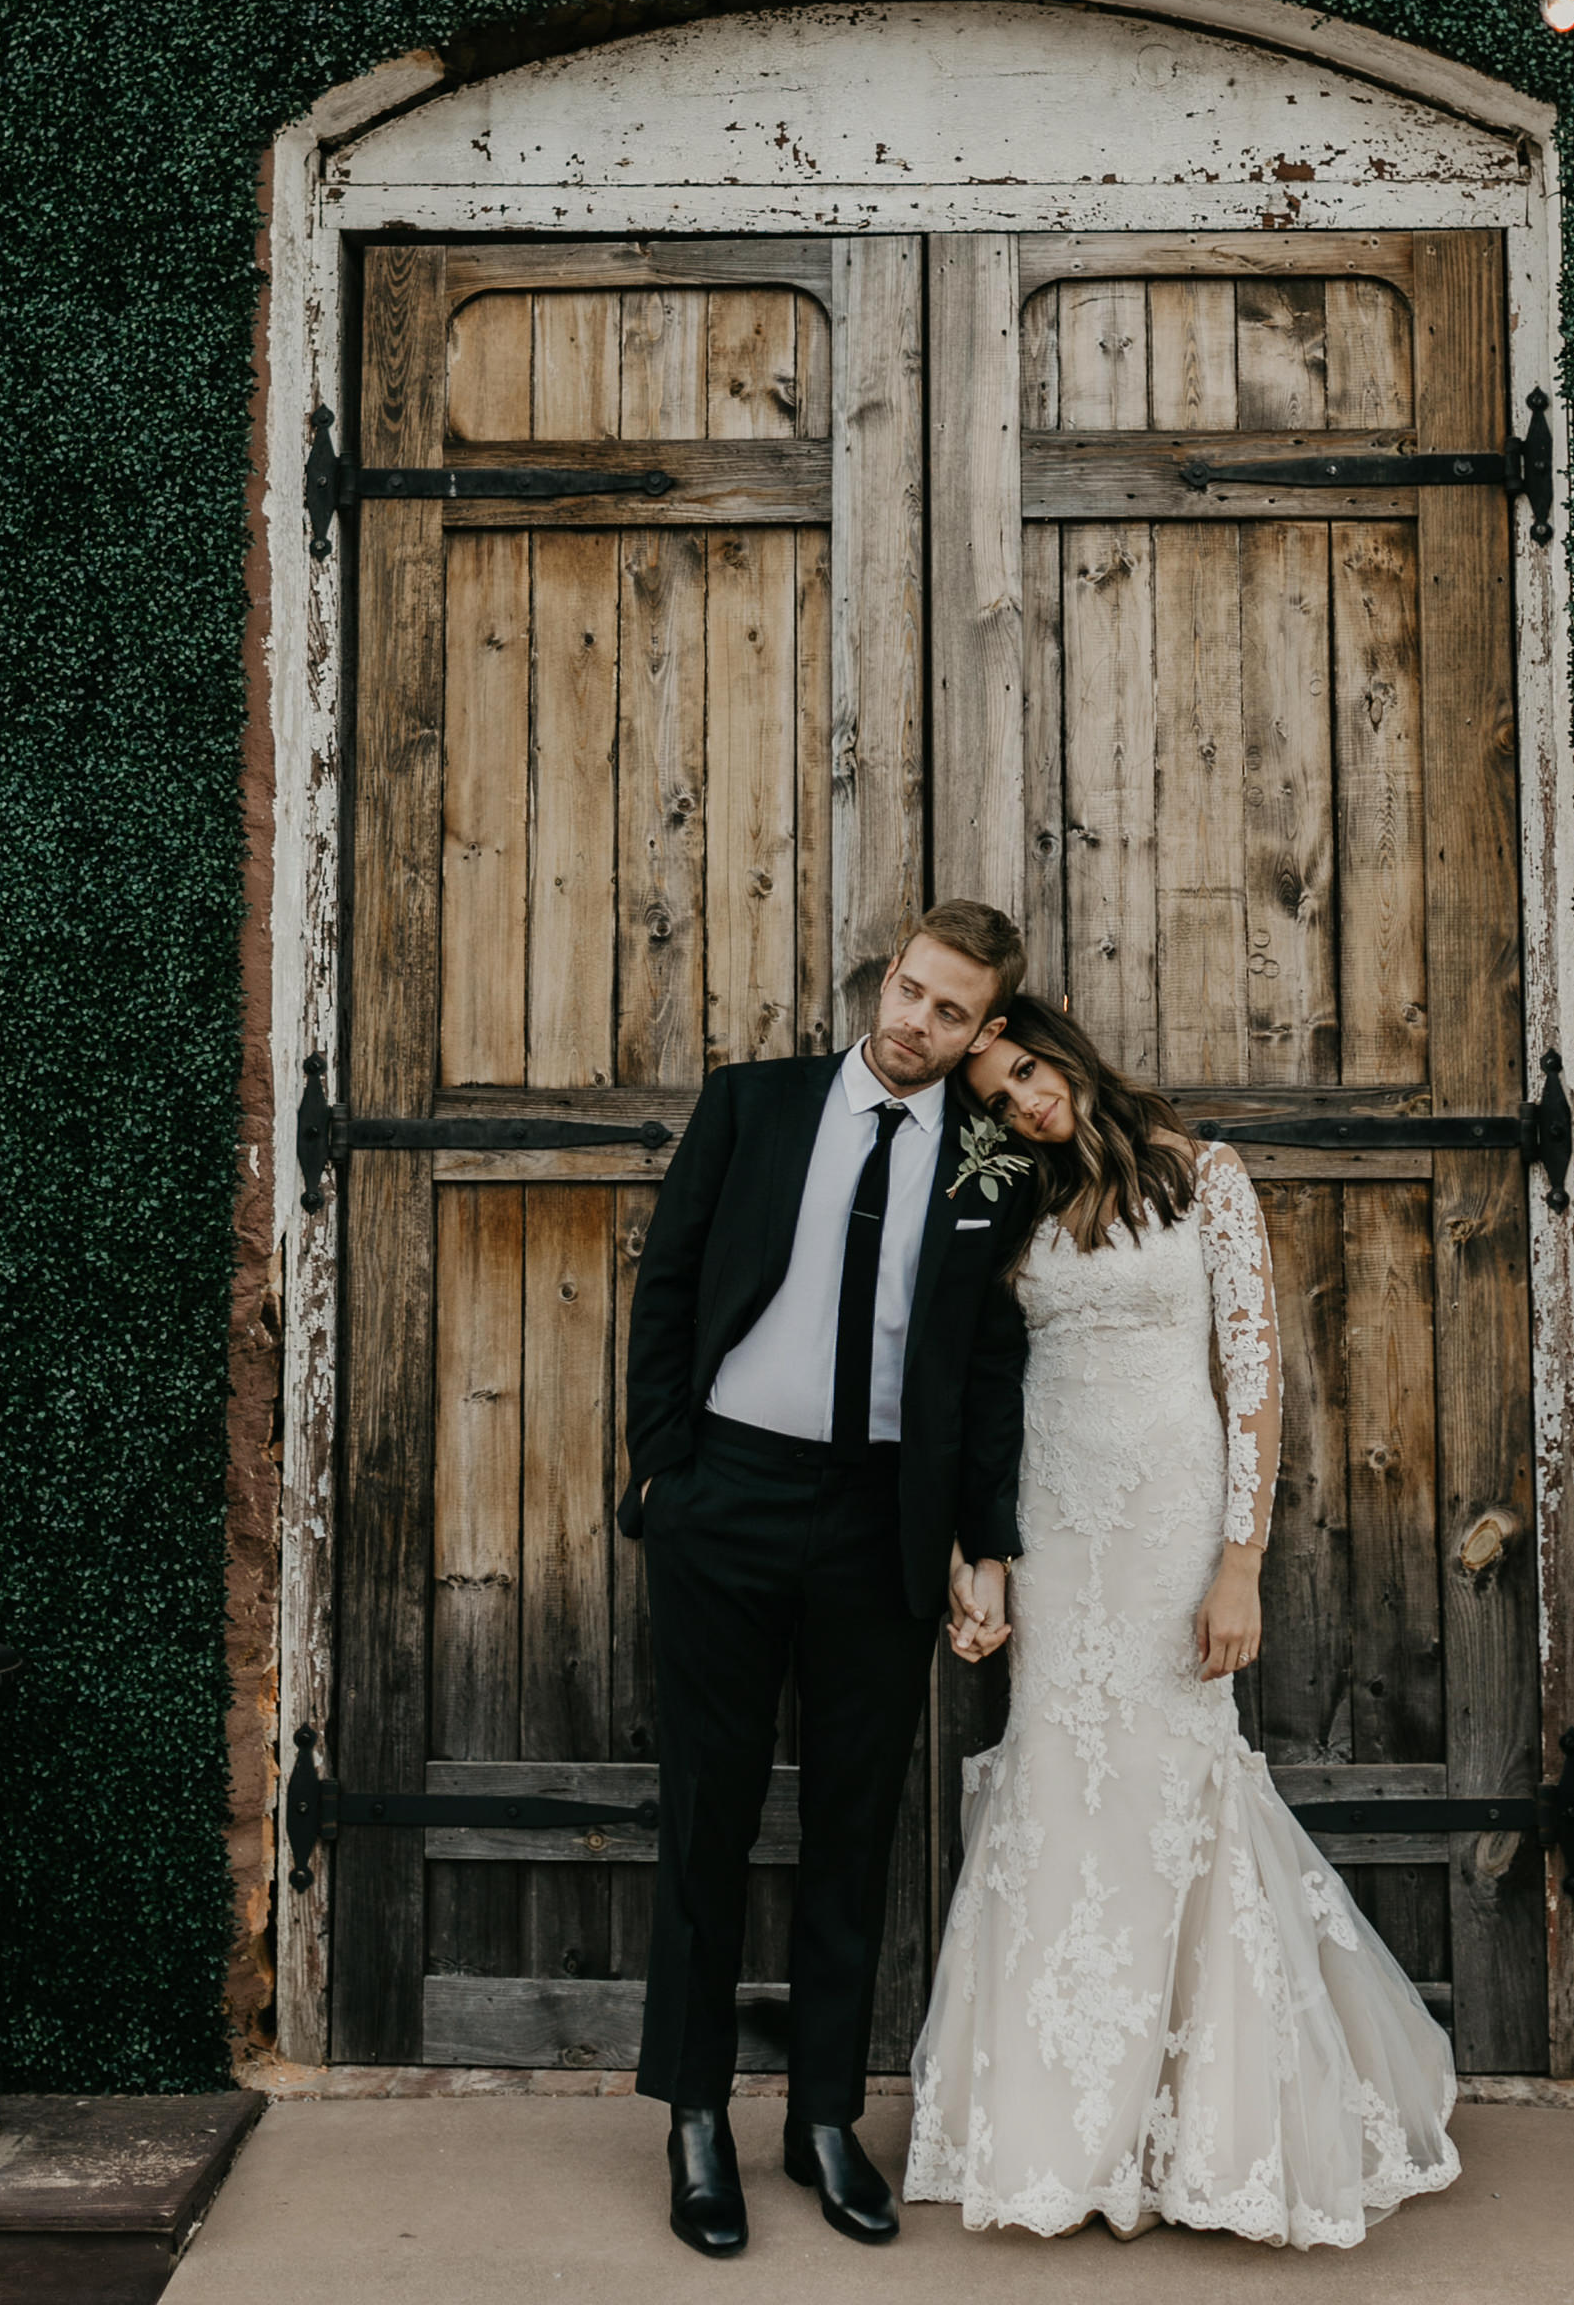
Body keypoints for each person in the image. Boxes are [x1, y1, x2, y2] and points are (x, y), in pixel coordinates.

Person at [905, 994, 1461, 2246]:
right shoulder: (1011, 1203)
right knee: (1058, 1779)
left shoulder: (1203, 1175)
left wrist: (1238, 1563)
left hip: (1167, 1525)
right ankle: (1063, 2126)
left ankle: (1206, 2124)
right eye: (993, 1100)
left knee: (1177, 1787)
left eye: (1026, 1073)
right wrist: (977, 1553)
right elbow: (977, 1387)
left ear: (1062, 1046)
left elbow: (1253, 1380)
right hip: (1054, 1526)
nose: (1023, 1103)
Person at [620, 901, 1041, 2258]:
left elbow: (985, 1374)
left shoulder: (989, 1165)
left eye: (948, 1013)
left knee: (855, 1830)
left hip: (882, 1525)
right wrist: (665, 1475)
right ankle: (695, 2116)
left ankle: (820, 2120)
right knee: (709, 1813)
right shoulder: (753, 1105)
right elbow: (668, 1288)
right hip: (727, 1499)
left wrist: (984, 1543)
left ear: (984, 1031)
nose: (915, 1025)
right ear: (888, 977)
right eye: (909, 993)